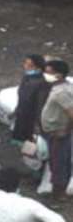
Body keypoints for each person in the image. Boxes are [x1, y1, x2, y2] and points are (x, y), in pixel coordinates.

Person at [41, 59, 73, 195]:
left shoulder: (61, 92)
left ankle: (58, 195)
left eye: (48, 72)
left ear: (58, 75)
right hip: (54, 132)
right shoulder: (60, 87)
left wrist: (65, 130)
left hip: (58, 134)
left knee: (58, 163)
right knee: (57, 161)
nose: (45, 75)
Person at [14, 54, 51, 142]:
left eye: (29, 65)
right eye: (25, 63)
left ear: (38, 67)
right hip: (22, 115)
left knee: (30, 144)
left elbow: (40, 104)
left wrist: (37, 124)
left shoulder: (42, 83)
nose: (25, 66)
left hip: (31, 119)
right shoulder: (27, 77)